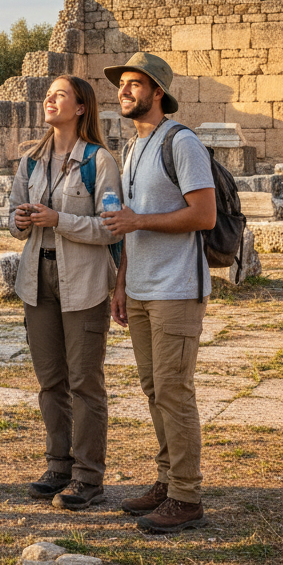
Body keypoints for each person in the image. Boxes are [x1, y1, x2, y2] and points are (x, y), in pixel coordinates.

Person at [102, 52, 216, 534]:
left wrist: (138, 221)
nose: (124, 91)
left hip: (177, 287)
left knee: (174, 390)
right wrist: (122, 283)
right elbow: (130, 228)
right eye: (122, 84)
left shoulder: (182, 142)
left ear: (156, 91)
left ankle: (187, 497)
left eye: (134, 84)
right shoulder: (131, 148)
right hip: (144, 287)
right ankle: (167, 481)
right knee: (154, 391)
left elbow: (204, 215)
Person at [8, 75, 122, 510]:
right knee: (49, 380)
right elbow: (15, 224)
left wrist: (60, 220)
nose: (48, 100)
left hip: (86, 282)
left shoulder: (100, 161)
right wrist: (20, 219)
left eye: (59, 95)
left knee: (85, 383)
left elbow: (109, 226)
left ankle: (89, 476)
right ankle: (58, 465)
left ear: (80, 107)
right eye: (48, 95)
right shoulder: (31, 160)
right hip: (37, 281)